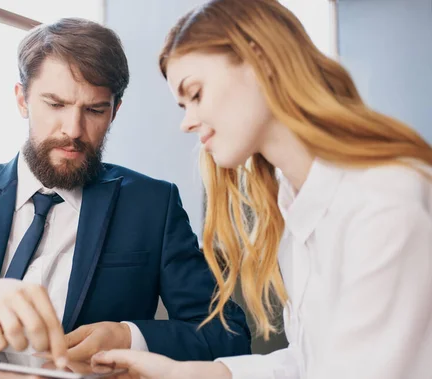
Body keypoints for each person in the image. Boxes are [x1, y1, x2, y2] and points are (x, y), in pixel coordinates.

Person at [0, 18, 251, 379]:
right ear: (22, 99)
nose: (73, 129)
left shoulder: (152, 204)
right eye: (55, 104)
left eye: (94, 110)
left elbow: (228, 334)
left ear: (115, 111)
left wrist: (129, 336)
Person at [86, 1, 432, 378]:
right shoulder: (292, 203)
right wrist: (185, 373)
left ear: (262, 62)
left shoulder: (383, 201)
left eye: (196, 94)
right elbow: (311, 362)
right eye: (183, 105)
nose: (187, 122)